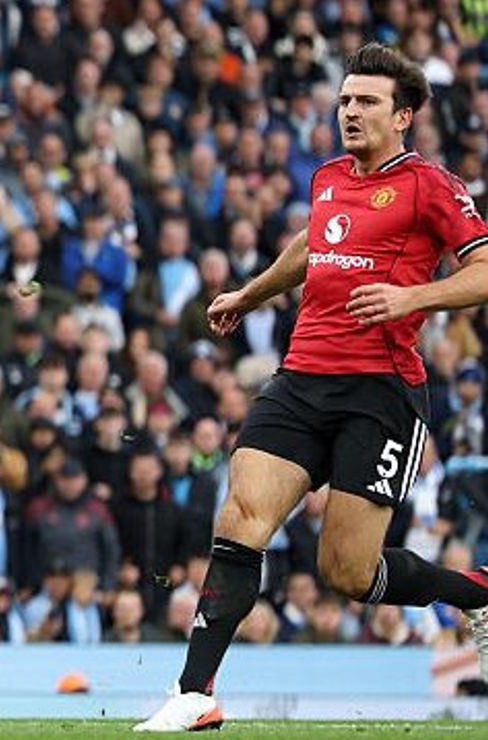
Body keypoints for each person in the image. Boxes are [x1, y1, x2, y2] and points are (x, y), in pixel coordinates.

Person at [137, 43, 488, 732]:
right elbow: (315, 243)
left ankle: (476, 590)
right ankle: (195, 692)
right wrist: (251, 290)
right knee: (241, 519)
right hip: (300, 379)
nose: (349, 112)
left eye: (366, 102)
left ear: (404, 116)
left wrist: (413, 296)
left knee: (349, 573)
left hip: (381, 392)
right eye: (345, 99)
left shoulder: (433, 187)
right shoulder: (329, 176)